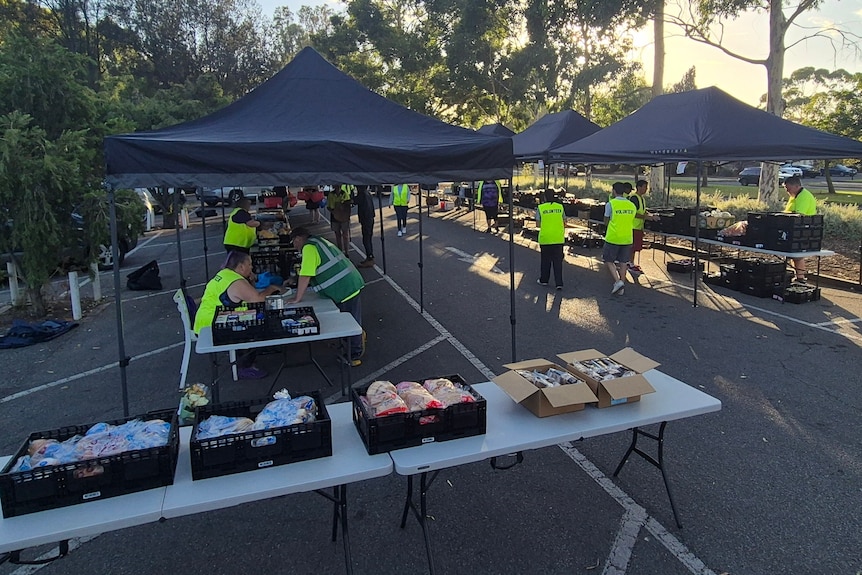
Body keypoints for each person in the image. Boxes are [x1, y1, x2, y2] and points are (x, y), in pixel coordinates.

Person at [194, 251, 282, 379]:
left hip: (205, 320)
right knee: (253, 325)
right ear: (241, 267)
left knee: (253, 317)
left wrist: (250, 280)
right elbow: (257, 299)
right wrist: (272, 288)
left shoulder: (224, 274)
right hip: (212, 325)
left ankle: (248, 357)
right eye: (250, 264)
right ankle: (245, 366)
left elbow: (247, 294)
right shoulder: (236, 281)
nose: (252, 267)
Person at [287, 227, 366, 366]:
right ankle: (356, 338)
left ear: (298, 238)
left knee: (350, 321)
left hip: (344, 287)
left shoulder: (309, 248)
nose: (294, 246)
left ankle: (354, 353)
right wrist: (295, 280)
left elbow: (306, 275)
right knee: (350, 317)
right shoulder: (317, 241)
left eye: (293, 242)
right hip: (347, 283)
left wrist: (297, 298)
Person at [603, 182, 637, 295]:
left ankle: (618, 281)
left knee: (609, 260)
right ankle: (621, 286)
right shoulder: (631, 205)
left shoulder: (611, 204)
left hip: (613, 237)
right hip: (627, 237)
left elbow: (606, 220)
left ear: (614, 191)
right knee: (623, 262)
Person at [783, 176, 817, 283]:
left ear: (797, 186)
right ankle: (797, 276)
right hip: (794, 229)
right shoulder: (795, 195)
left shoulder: (804, 196)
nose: (787, 191)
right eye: (786, 189)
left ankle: (801, 278)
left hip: (803, 230)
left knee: (798, 255)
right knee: (794, 255)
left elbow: (798, 214)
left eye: (789, 188)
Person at [627, 179, 658, 281]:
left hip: (639, 227)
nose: (646, 189)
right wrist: (647, 217)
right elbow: (634, 213)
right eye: (644, 187)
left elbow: (643, 210)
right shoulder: (634, 198)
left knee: (636, 246)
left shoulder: (641, 198)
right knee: (632, 246)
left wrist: (650, 215)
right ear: (639, 187)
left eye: (647, 187)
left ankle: (630, 262)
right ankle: (629, 263)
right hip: (633, 226)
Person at [535, 188, 565, 290]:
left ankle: (544, 280)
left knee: (545, 260)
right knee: (558, 261)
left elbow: (538, 224)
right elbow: (565, 221)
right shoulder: (560, 207)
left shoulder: (540, 208)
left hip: (545, 238)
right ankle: (559, 283)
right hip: (558, 238)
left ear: (544, 197)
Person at [327, 184, 355, 255]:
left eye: (338, 186)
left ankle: (347, 252)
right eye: (335, 186)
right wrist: (334, 212)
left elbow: (348, 205)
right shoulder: (331, 195)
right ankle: (340, 251)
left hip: (344, 216)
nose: (337, 187)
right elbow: (328, 206)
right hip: (334, 216)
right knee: (337, 234)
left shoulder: (344, 193)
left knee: (345, 234)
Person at [355, 185, 376, 267]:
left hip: (366, 219)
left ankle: (370, 258)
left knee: (366, 239)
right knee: (368, 238)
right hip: (370, 218)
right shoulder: (367, 194)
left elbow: (354, 201)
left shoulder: (362, 195)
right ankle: (370, 256)